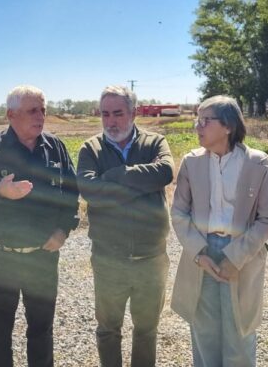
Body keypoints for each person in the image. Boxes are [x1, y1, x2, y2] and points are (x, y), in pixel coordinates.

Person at [0, 85, 79, 367]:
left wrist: (64, 229)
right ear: (11, 114)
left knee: (41, 331)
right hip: (0, 259)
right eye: (32, 111)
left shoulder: (56, 148)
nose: (40, 117)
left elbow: (72, 194)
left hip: (42, 258)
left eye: (43, 110)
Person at [170, 95, 268, 367]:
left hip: (240, 255)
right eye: (197, 119)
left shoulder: (259, 164)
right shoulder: (191, 162)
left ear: (228, 126)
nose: (198, 126)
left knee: (239, 333)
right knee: (204, 333)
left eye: (205, 120)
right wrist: (199, 252)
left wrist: (236, 258)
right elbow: (179, 213)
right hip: (202, 253)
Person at [76, 85, 174, 367]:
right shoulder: (91, 148)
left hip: (151, 258)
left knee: (146, 330)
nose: (111, 121)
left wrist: (116, 175)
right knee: (108, 330)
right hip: (109, 259)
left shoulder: (155, 142)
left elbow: (165, 172)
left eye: (118, 113)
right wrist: (140, 185)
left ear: (134, 112)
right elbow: (89, 189)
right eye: (105, 114)